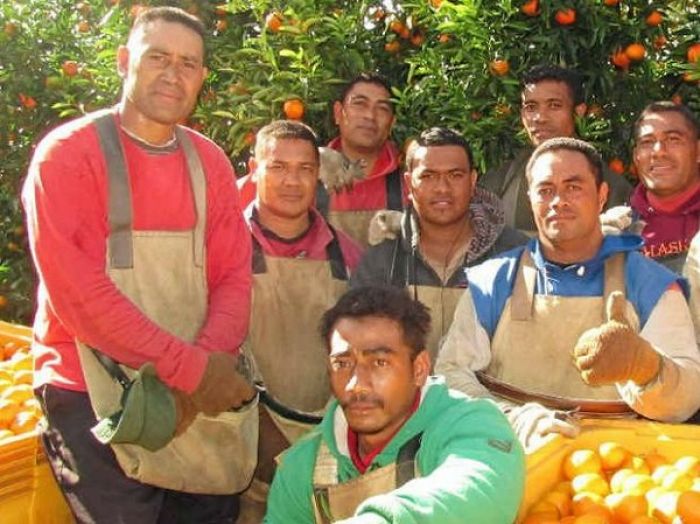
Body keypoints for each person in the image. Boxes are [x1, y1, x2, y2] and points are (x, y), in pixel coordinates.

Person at [22, 7, 255, 523]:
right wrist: (192, 370)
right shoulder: (67, 155)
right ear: (125, 61)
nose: (173, 74)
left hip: (193, 385)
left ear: (202, 78)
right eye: (158, 58)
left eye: (189, 63)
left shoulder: (210, 162)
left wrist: (209, 362)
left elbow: (233, 276)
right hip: (90, 386)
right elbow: (79, 296)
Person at [436, 137, 700, 451]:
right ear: (530, 199)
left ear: (602, 196)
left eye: (573, 187)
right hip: (511, 460)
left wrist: (645, 367)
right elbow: (450, 377)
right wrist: (514, 420)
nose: (558, 200)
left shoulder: (652, 284)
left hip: (618, 471)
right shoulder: (491, 281)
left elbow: (686, 401)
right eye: (545, 190)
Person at [264, 286, 525, 524]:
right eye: (342, 364)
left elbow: (477, 491)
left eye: (379, 363)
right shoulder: (304, 464)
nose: (357, 384)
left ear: (420, 368)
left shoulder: (471, 423)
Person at [237, 120, 363, 522]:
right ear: (253, 167)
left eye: (305, 169)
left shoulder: (346, 255)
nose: (292, 181)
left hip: (327, 438)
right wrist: (259, 433)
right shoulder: (222, 246)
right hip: (240, 441)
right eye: (277, 167)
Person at [351, 127, 527, 359]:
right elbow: (359, 346)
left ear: (473, 180)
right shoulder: (382, 260)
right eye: (428, 176)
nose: (442, 188)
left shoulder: (514, 255)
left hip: (488, 396)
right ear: (408, 184)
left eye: (455, 175)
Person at [479, 64, 631, 234]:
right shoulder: (500, 180)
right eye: (531, 107)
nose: (540, 118)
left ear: (578, 111)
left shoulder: (609, 185)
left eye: (554, 106)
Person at [629, 101, 700, 273]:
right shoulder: (617, 231)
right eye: (647, 141)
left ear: (698, 151)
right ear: (636, 156)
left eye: (673, 139)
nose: (659, 151)